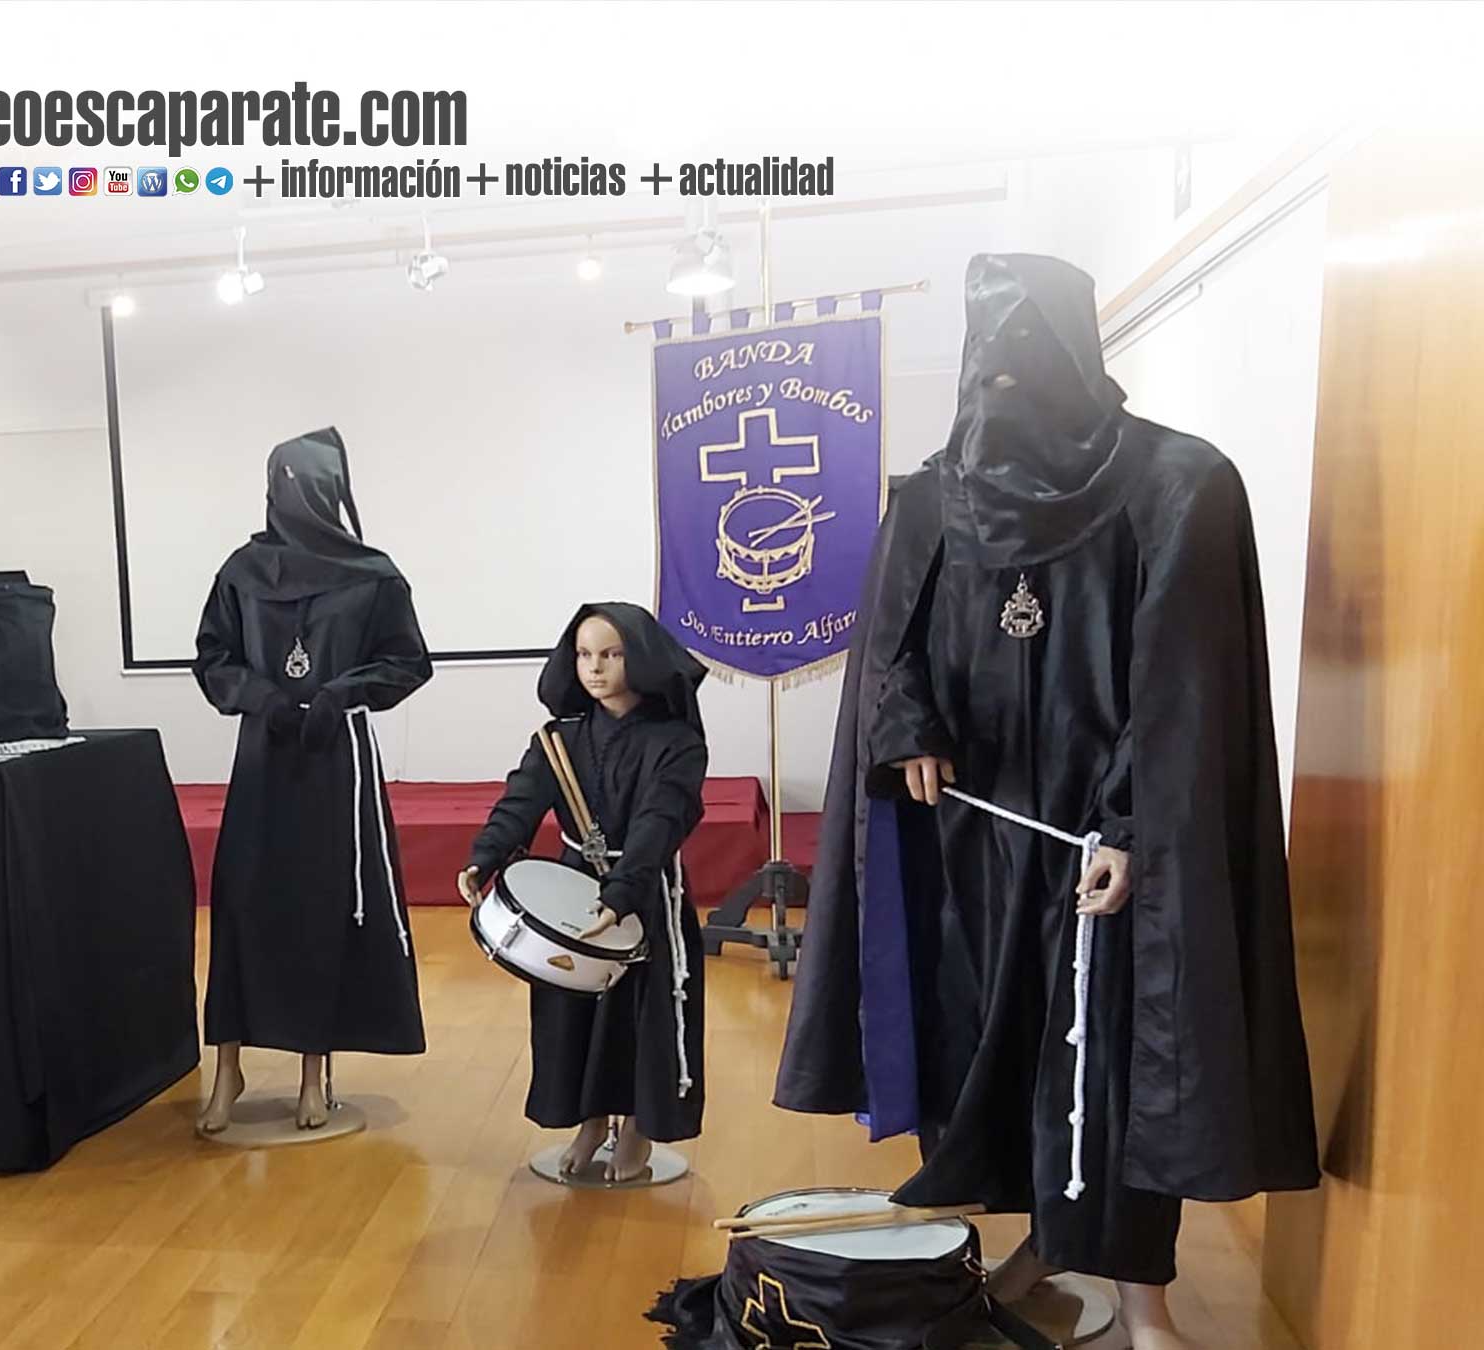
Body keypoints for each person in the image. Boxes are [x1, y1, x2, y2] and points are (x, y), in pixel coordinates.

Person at [775, 254, 1319, 1350]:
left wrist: (1131, 826)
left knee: (1112, 1053)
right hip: (969, 837)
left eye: (1028, 363)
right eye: (990, 370)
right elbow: (888, 650)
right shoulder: (932, 499)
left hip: (1105, 842)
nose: (1004, 392)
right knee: (989, 1038)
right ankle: (1036, 1245)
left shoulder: (1178, 484)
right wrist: (909, 724)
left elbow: (1185, 691)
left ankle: (1145, 1299)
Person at [194, 428, 432, 1133]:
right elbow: (213, 656)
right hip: (264, 758)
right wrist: (260, 697)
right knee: (244, 901)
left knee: (321, 905)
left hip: (335, 759)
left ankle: (312, 1069)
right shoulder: (242, 572)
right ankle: (229, 1066)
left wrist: (342, 692)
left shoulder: (373, 575)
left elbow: (407, 661)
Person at [460, 602, 709, 1182]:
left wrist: (622, 894)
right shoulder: (558, 739)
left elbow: (660, 819)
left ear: (639, 658)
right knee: (573, 1010)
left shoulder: (677, 743)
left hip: (646, 890)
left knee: (643, 1011)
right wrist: (485, 856)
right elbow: (520, 801)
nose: (595, 667)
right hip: (572, 886)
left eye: (611, 654)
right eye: (584, 654)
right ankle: (590, 1122)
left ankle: (640, 1125)